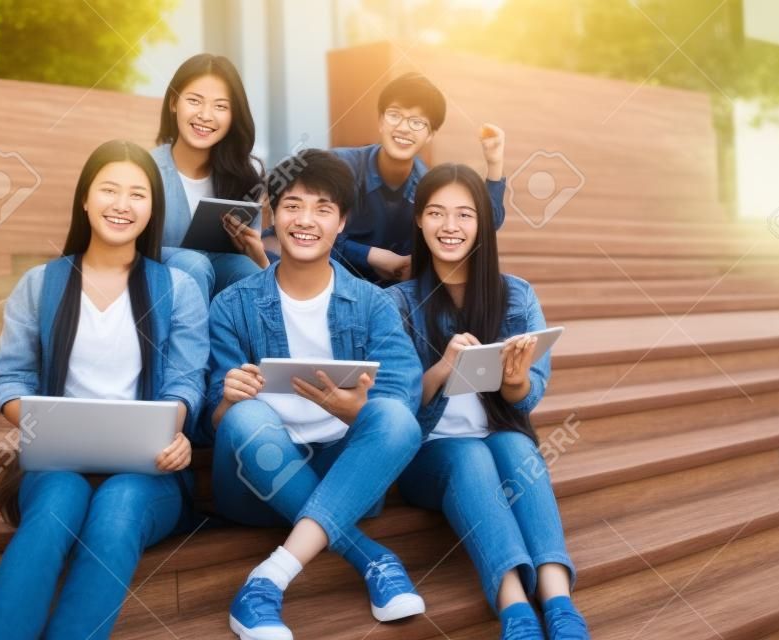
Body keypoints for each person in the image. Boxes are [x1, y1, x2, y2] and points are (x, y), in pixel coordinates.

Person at [0, 140, 210, 639]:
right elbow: (12, 376)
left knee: (119, 506)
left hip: (146, 475)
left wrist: (177, 432)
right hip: (56, 463)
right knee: (58, 498)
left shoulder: (178, 289)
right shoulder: (41, 285)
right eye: (109, 189)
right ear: (85, 199)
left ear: (152, 208)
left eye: (138, 194)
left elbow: (185, 383)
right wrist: (43, 423)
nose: (122, 205)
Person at [207, 148, 428, 640]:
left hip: (344, 472)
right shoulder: (231, 306)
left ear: (342, 222)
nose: (305, 220)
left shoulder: (373, 304)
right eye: (292, 205)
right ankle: (370, 555)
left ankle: (268, 579)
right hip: (252, 481)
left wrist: (356, 412)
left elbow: (400, 393)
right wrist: (226, 400)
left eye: (323, 208)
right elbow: (212, 420)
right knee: (245, 418)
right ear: (272, 214)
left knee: (396, 421)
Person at [389, 164, 589, 640]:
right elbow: (393, 404)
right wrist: (442, 368)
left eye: (464, 214)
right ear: (419, 221)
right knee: (471, 454)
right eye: (436, 213)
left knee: (518, 448)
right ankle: (515, 609)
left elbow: (530, 393)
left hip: (498, 435)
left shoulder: (515, 295)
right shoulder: (395, 302)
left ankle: (559, 602)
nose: (450, 227)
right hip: (428, 453)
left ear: (482, 223)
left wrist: (514, 381)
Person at [264, 72, 507, 286]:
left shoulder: (427, 184)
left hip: (391, 298)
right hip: (323, 282)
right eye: (394, 115)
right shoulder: (339, 166)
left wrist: (494, 163)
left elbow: (483, 224)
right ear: (380, 121)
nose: (403, 128)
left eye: (417, 122)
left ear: (431, 135)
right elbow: (291, 232)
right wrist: (373, 255)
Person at [153, 53, 269, 299]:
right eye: (195, 101)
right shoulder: (145, 169)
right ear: (174, 103)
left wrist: (255, 253)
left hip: (218, 287)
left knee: (247, 271)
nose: (206, 115)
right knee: (193, 263)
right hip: (156, 285)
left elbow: (248, 263)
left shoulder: (245, 174)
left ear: (233, 115)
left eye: (220, 106)